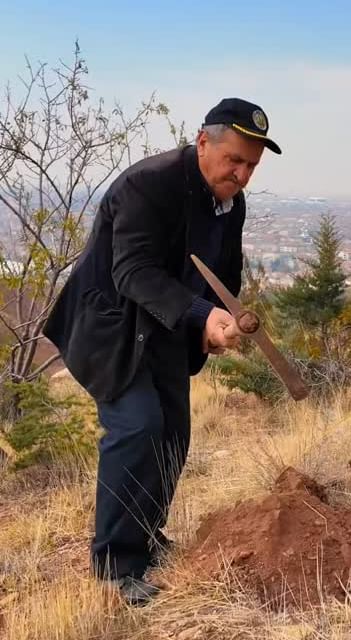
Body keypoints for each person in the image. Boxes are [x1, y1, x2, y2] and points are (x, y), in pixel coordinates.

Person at [43, 97, 282, 606]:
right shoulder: (148, 185)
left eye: (251, 166)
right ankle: (116, 563)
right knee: (137, 428)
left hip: (168, 330)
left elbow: (226, 278)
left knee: (173, 435)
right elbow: (132, 272)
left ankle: (146, 537)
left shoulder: (230, 204)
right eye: (234, 160)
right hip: (112, 327)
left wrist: (220, 322)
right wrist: (201, 316)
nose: (240, 175)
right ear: (203, 143)